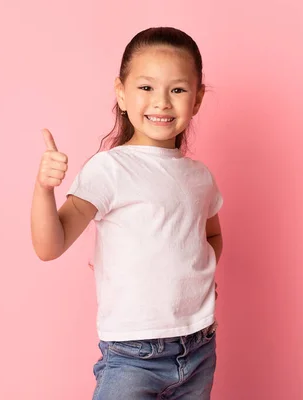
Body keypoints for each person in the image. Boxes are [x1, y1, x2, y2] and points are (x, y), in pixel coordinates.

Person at [30, 26, 223, 399]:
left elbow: (211, 236)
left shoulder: (200, 177)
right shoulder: (109, 170)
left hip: (199, 347)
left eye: (178, 90)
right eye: (146, 87)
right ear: (121, 93)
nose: (162, 102)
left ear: (197, 99)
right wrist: (43, 189)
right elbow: (49, 246)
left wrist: (193, 275)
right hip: (133, 356)